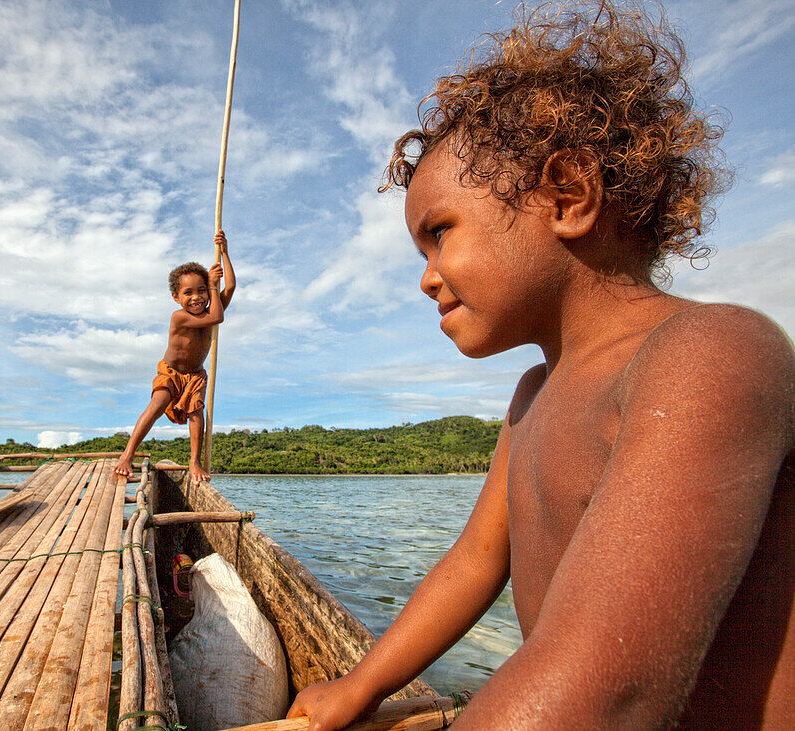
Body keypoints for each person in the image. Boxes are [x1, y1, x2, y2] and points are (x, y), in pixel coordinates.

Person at [288, 2, 794, 728]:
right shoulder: (533, 397)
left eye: (439, 233)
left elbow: (610, 686)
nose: (427, 277)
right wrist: (362, 683)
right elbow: (472, 564)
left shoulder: (708, 353)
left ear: (568, 196)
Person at [113, 231, 236, 486]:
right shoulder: (178, 316)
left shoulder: (213, 307)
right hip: (171, 372)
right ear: (176, 297)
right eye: (188, 293)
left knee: (196, 413)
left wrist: (224, 252)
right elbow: (217, 318)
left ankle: (194, 461)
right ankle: (127, 456)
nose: (196, 297)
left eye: (202, 290)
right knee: (157, 405)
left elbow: (231, 287)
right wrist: (213, 286)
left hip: (195, 375)